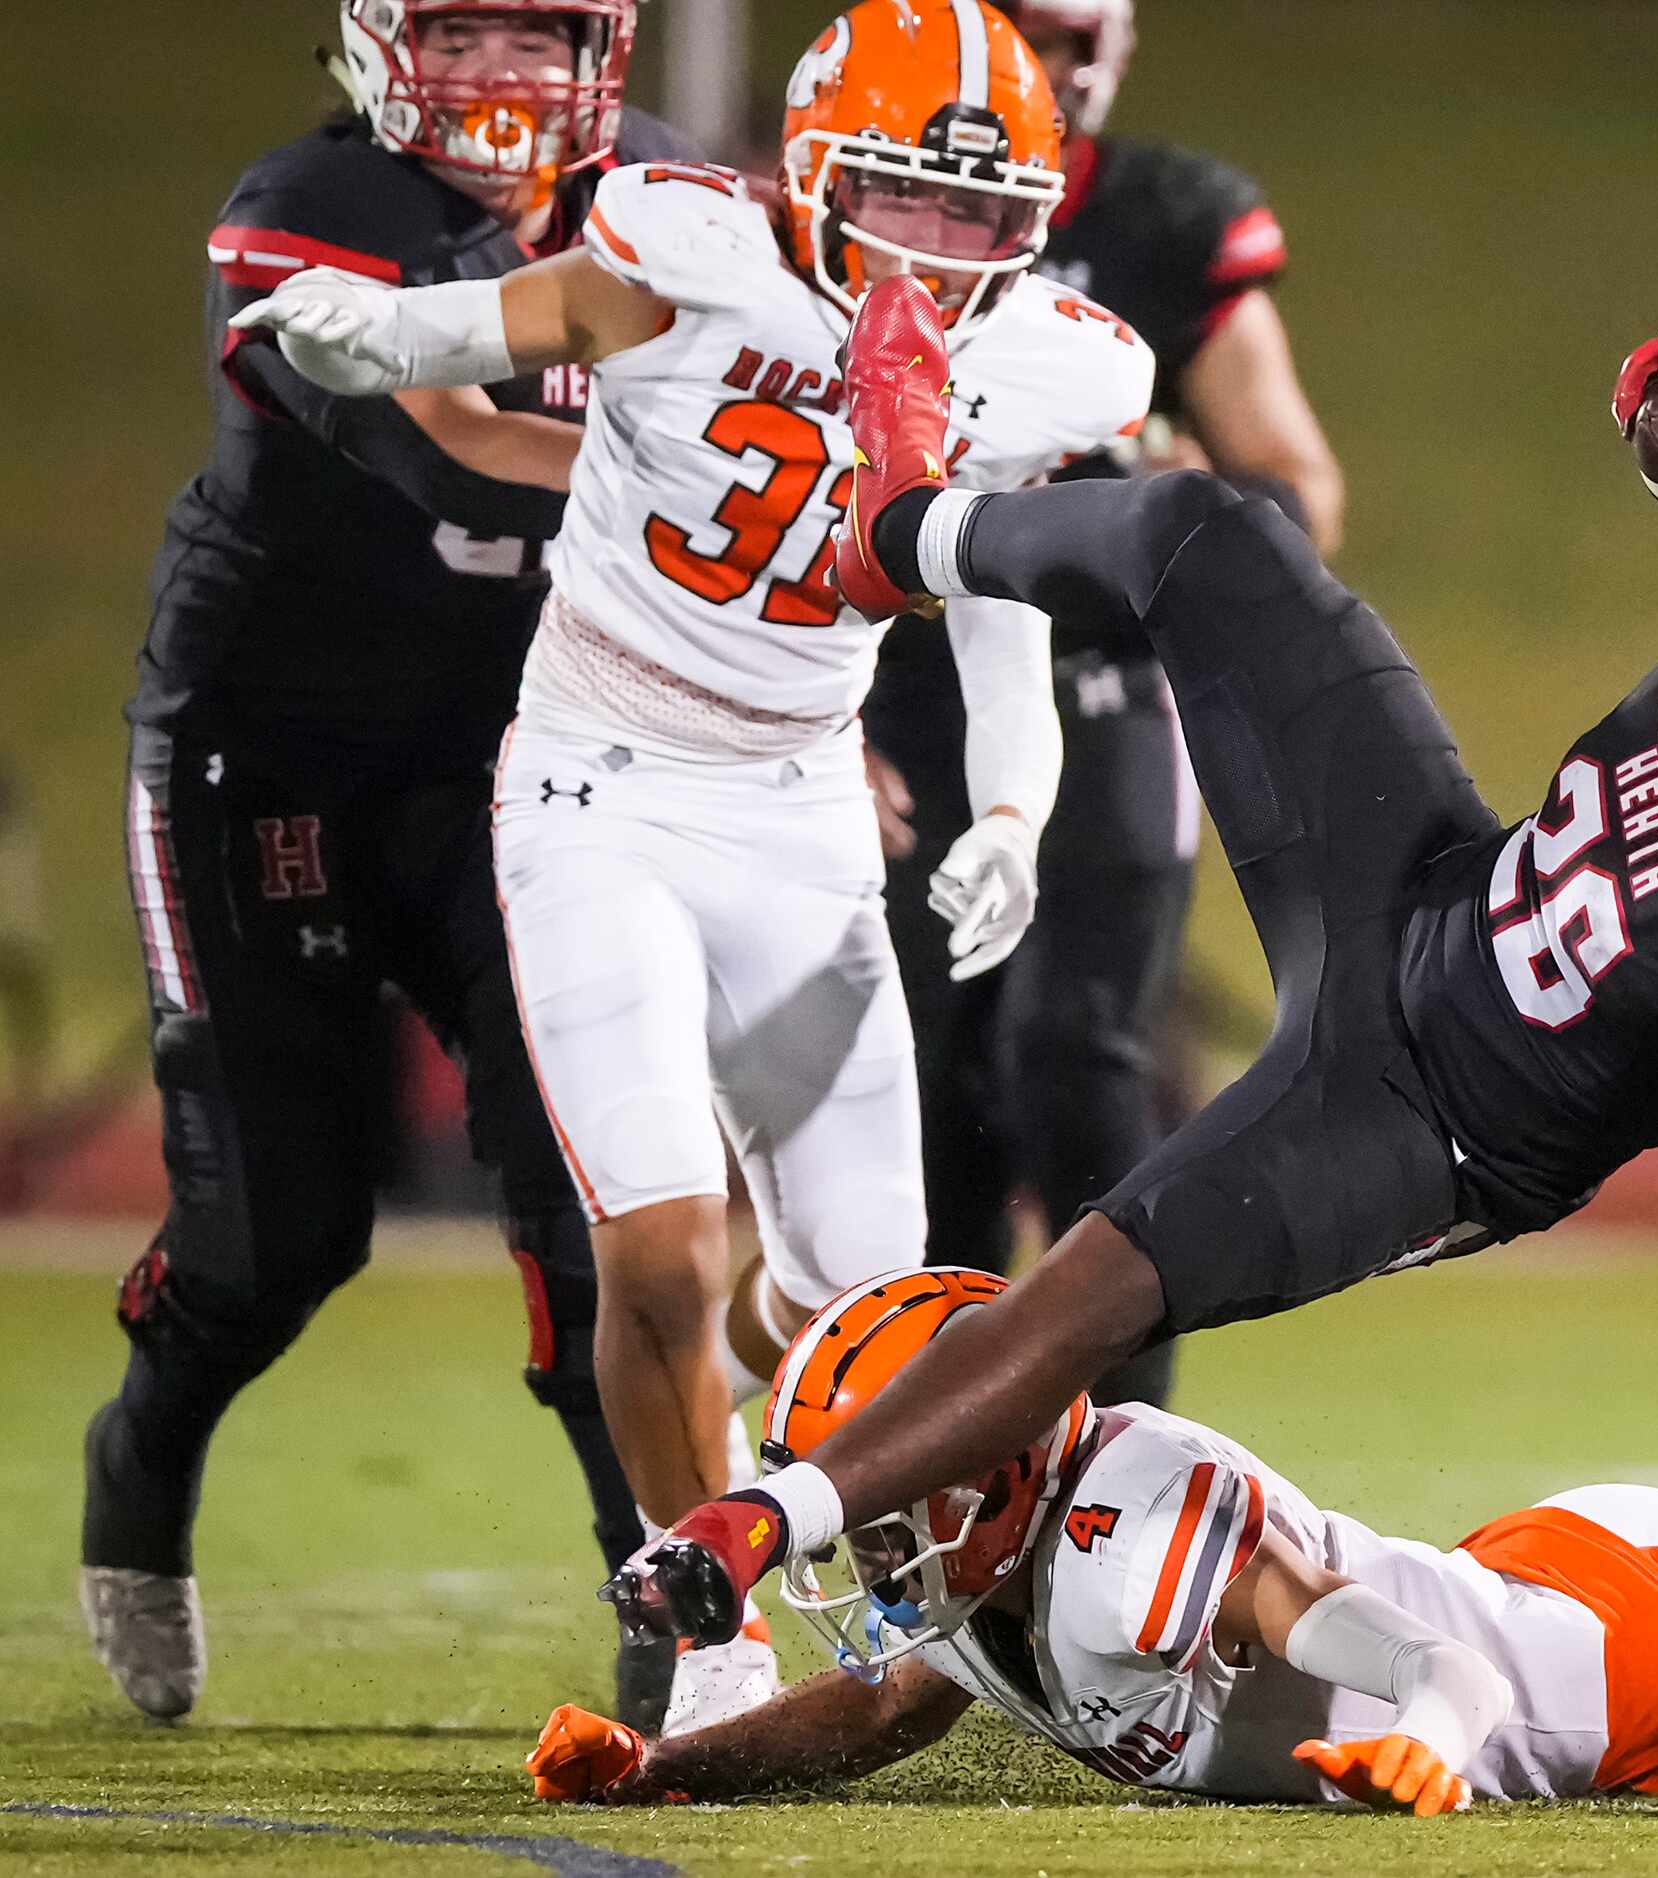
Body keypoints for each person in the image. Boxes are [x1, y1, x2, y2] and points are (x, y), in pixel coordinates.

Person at [600, 272, 1658, 1696]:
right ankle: (900, 528)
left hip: (1427, 1124)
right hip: (1428, 886)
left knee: (1092, 1287)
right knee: (1210, 534)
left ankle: (755, 1521)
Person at [234, 0, 1153, 1730]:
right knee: (653, 1247)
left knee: (864, 1310)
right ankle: (711, 1632)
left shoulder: (1054, 359)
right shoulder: (687, 249)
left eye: (984, 219)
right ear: (810, 169)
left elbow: (997, 588)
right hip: (605, 783)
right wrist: (375, 333)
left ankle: (878, 1551)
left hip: (802, 811)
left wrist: (1016, 812)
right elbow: (504, 323)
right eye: (908, 202)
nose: (944, 257)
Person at [531, 995, 1658, 1810]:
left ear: (1004, 1463)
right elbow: (864, 1715)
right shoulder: (994, 1584)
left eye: (912, 1484)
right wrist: (662, 1773)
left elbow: (1417, 1657)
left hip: (1617, 1648)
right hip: (1538, 1589)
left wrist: (1436, 1740)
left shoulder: (1143, 1510)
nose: (891, 1520)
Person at [85, 0, 685, 1727]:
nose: (503, 75)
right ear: (376, 41)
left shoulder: (672, 208)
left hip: (526, 761)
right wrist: (724, 485)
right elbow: (450, 446)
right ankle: (142, 1464)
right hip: (265, 752)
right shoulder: (313, 206)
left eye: (538, 32)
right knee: (277, 1232)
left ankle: (671, 1609)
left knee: (597, 1196)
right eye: (465, 32)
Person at [859, 0, 1345, 1415]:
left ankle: (1123, 1456)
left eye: (1091, 34)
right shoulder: (841, 213)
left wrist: (1153, 494)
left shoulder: (1161, 218)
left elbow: (1291, 492)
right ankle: (927, 1451)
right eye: (1039, 33)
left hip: (1097, 676)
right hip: (888, 684)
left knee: (1079, 1060)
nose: (1073, 67)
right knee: (921, 1086)